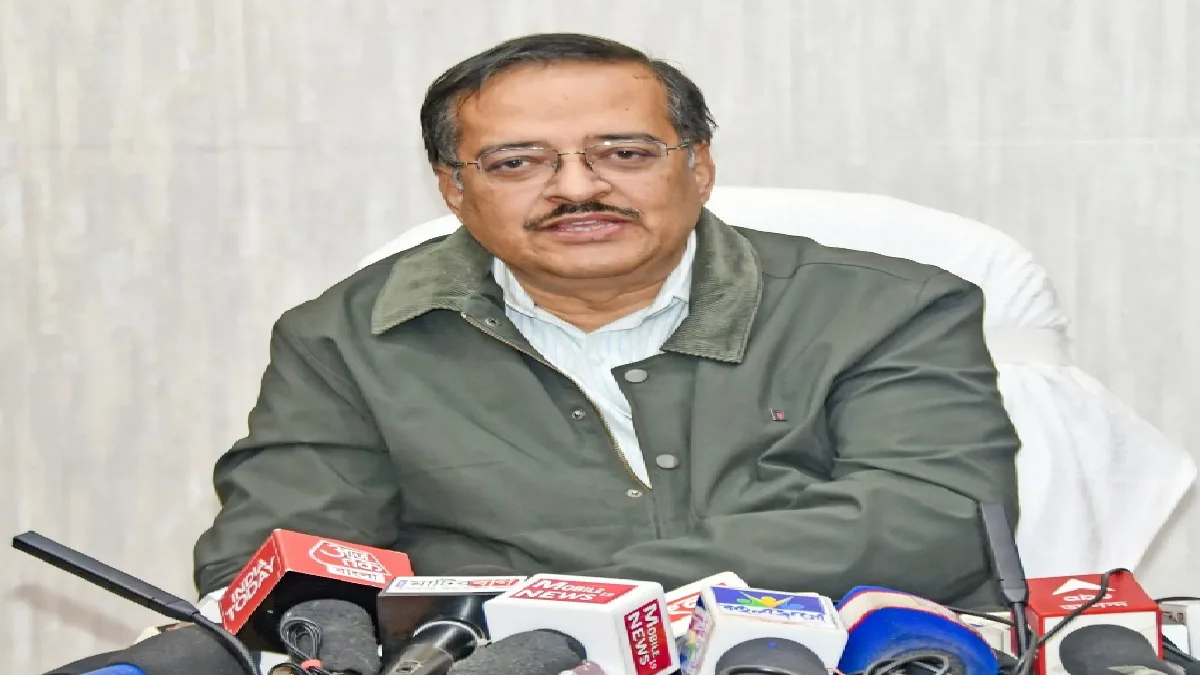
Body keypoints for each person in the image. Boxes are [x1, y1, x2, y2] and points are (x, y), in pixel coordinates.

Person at [193, 32, 1019, 607]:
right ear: (453, 189)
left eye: (625, 153)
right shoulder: (346, 339)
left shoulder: (888, 308)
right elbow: (275, 560)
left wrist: (579, 598)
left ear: (699, 167)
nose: (577, 187)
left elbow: (935, 518)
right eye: (517, 162)